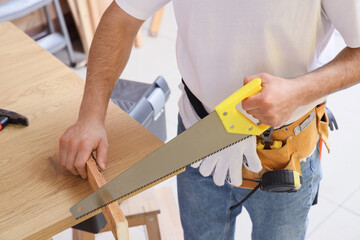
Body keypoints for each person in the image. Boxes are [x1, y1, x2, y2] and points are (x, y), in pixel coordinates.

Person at [59, 1, 360, 239]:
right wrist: (90, 116)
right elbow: (121, 20)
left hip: (284, 151)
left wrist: (298, 92)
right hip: (198, 136)